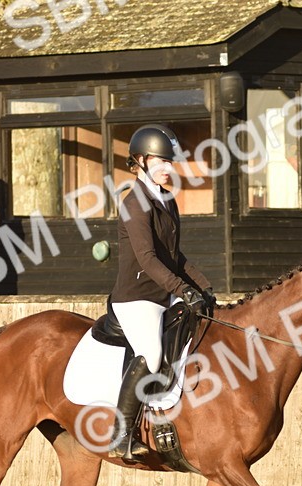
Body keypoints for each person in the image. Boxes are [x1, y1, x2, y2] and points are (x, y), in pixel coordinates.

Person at [108, 123, 215, 460]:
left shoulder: (167, 201)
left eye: (170, 161)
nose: (168, 167)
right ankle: (121, 433)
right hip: (135, 298)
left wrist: (203, 286)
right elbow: (148, 259)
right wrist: (183, 289)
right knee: (152, 353)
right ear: (141, 160)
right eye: (161, 160)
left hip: (162, 295)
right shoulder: (134, 203)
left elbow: (174, 257)